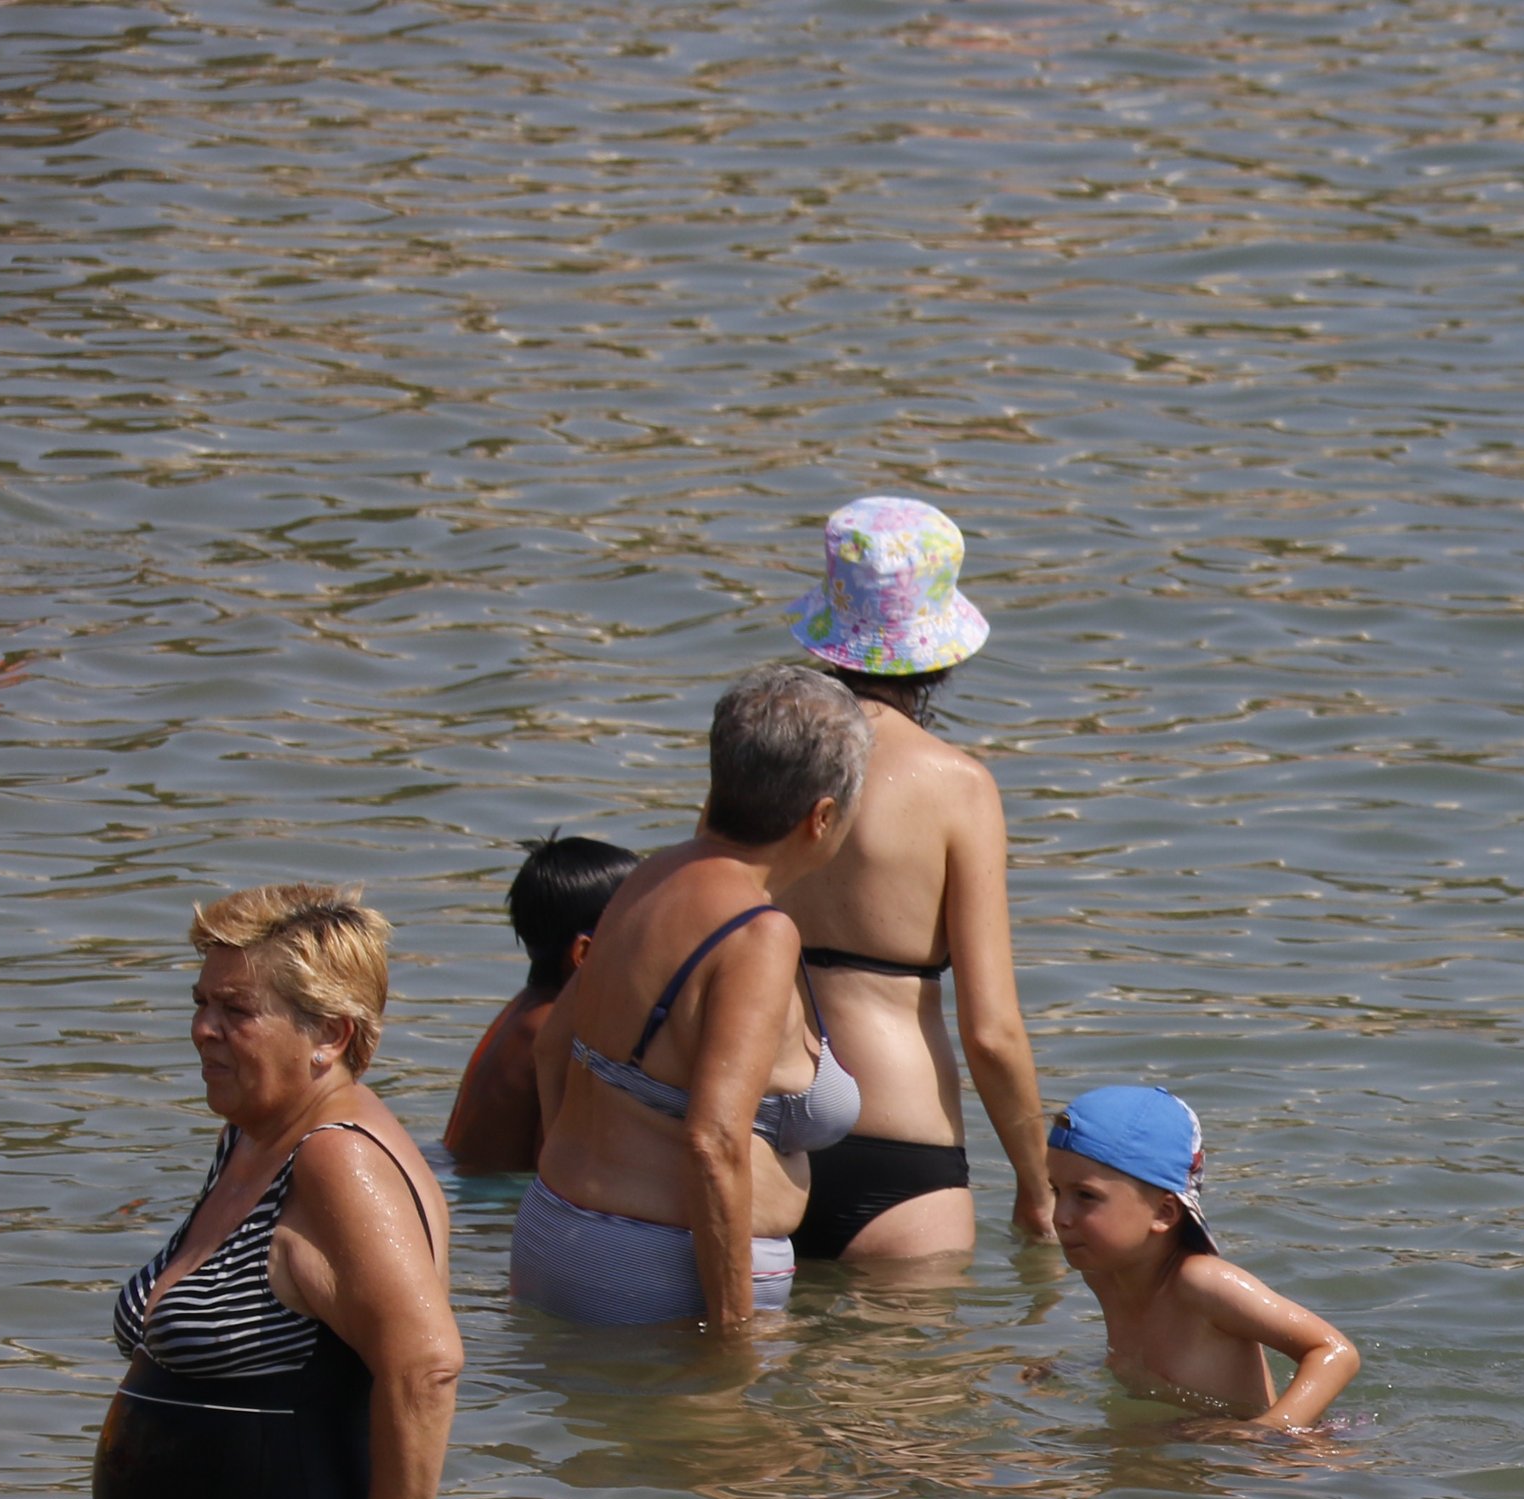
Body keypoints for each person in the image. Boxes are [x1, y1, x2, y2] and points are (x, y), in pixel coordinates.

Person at [96, 884, 460, 1499]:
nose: (204, 1029)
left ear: (331, 1034)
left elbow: (425, 1364)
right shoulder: (251, 1137)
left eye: (236, 1011)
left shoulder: (337, 1161)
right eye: (200, 1003)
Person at [513, 667, 867, 1328]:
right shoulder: (759, 935)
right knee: (723, 1435)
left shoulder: (648, 878)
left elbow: (554, 1046)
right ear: (822, 817)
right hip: (658, 1276)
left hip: (553, 1230)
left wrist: (580, 1191)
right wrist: (730, 1332)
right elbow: (713, 1141)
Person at [773, 496, 1049, 1262]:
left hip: (764, 1130)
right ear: (943, 647)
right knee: (912, 1380)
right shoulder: (956, 785)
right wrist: (1037, 1184)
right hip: (900, 1146)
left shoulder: (760, 758)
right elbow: (991, 1030)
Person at [1042, 1083, 1361, 1427]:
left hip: (1252, 1460)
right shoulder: (1105, 1274)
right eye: (1056, 1191)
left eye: (1086, 1196)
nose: (1060, 1216)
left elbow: (1335, 1352)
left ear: (1164, 1212)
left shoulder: (1204, 1284)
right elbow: (1141, 1358)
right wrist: (1074, 1372)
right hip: (1179, 1442)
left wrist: (1267, 1433)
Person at [439, 834, 634, 1176]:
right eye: (641, 931)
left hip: (467, 1189)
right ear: (584, 954)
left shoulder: (527, 1009)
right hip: (496, 1210)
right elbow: (560, 1169)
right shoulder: (559, 1029)